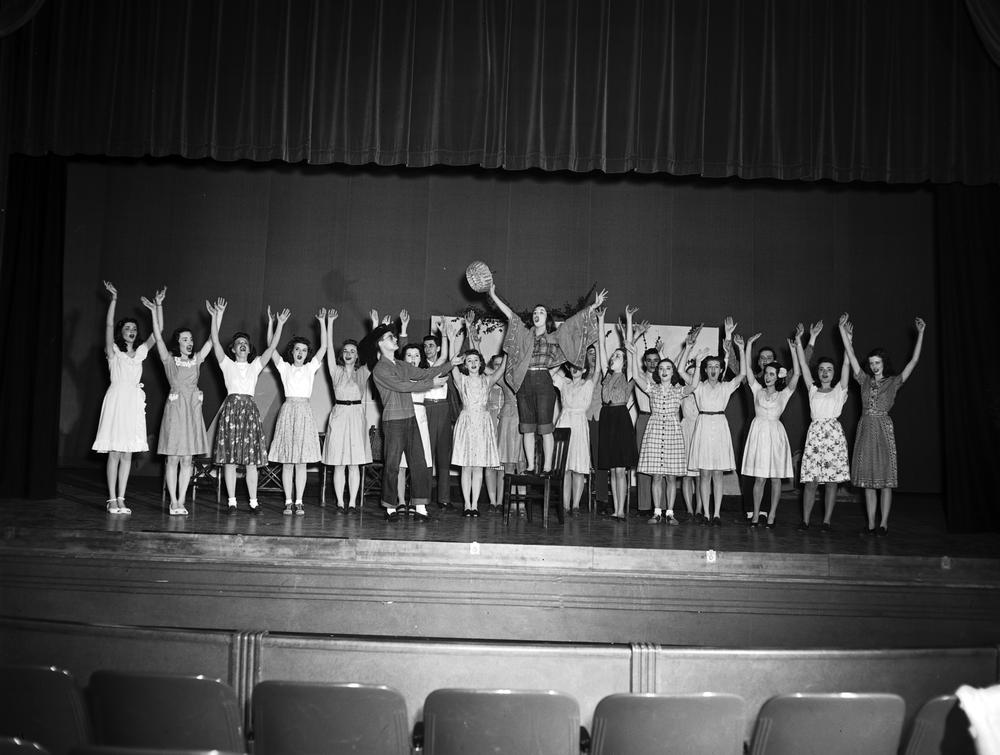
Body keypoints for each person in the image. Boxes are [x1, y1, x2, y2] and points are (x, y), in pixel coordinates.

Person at [488, 283, 606, 473]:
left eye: (541, 311)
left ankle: (547, 466)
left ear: (547, 318)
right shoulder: (525, 336)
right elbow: (510, 315)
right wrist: (493, 295)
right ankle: (531, 465)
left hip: (543, 381)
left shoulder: (555, 336)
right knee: (526, 427)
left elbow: (575, 322)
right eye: (535, 311)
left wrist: (592, 306)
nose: (537, 313)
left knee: (545, 428)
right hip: (525, 381)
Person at [839, 313, 926, 536]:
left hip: (883, 428)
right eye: (871, 363)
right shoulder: (864, 380)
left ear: (883, 363)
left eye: (877, 363)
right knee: (868, 482)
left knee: (885, 481)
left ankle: (884, 523)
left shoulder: (893, 382)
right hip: (866, 427)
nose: (874, 366)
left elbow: (913, 362)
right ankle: (870, 523)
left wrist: (921, 334)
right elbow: (850, 354)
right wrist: (844, 333)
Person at [371, 322, 461, 522]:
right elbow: (402, 386)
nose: (394, 339)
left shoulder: (402, 365)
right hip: (393, 421)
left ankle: (420, 507)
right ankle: (390, 507)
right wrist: (431, 384)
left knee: (419, 463)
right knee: (393, 465)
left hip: (411, 418)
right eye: (389, 337)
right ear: (380, 344)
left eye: (394, 337)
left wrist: (450, 364)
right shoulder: (380, 369)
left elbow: (425, 372)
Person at [207, 298, 284, 513]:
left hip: (249, 412)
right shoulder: (227, 364)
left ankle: (253, 501)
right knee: (230, 461)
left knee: (251, 461)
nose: (243, 345)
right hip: (231, 411)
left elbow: (272, 348)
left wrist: (276, 324)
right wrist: (215, 316)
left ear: (249, 349)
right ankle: (231, 501)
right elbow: (214, 341)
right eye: (239, 343)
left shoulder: (255, 365)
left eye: (246, 343)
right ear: (232, 349)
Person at [142, 287, 212, 515]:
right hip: (175, 408)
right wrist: (157, 308)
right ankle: (173, 500)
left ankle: (182, 500)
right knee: (172, 458)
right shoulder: (169, 359)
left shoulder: (197, 360)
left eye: (191, 339)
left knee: (187, 458)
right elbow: (158, 336)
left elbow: (213, 341)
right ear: (178, 342)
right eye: (185, 339)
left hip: (192, 408)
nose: (189, 342)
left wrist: (216, 316)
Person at [629, 319, 706, 525]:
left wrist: (696, 362)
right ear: (657, 372)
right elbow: (635, 375)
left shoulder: (678, 390)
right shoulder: (651, 388)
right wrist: (634, 353)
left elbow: (695, 383)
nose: (663, 371)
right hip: (654, 430)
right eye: (661, 368)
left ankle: (669, 512)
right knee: (655, 476)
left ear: (672, 373)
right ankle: (656, 512)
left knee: (671, 477)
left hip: (672, 431)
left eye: (667, 368)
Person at [93, 281, 156, 514]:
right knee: (115, 451)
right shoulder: (114, 352)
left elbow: (156, 335)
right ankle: (111, 499)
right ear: (121, 332)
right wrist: (114, 300)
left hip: (133, 402)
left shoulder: (139, 353)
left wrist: (155, 308)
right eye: (127, 327)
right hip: (117, 399)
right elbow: (109, 324)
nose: (132, 330)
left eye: (134, 328)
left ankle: (121, 497)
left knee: (128, 451)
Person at [267, 308, 327, 516]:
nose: (300, 353)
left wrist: (322, 323)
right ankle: (288, 501)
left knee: (301, 462)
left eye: (303, 350)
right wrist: (277, 324)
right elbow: (270, 347)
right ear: (291, 352)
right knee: (288, 461)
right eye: (297, 349)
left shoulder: (310, 368)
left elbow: (325, 347)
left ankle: (299, 501)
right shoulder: (284, 368)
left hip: (304, 412)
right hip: (288, 411)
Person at [794, 326, 851, 531]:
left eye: (829, 369)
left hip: (833, 435)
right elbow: (802, 363)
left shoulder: (839, 390)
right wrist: (800, 340)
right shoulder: (813, 389)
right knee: (811, 481)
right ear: (818, 372)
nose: (825, 372)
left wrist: (848, 340)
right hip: (815, 435)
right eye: (821, 369)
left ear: (833, 373)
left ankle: (826, 521)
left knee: (831, 482)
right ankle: (805, 520)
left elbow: (846, 363)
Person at [741, 332, 800, 528]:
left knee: (775, 479)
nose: (767, 377)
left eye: (772, 374)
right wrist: (748, 345)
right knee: (759, 478)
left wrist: (793, 350)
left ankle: (772, 515)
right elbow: (748, 370)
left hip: (775, 435)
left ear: (778, 377)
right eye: (766, 373)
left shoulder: (784, 394)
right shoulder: (757, 390)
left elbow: (798, 374)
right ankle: (756, 515)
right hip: (758, 434)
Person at [688, 334, 748, 526]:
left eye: (716, 366)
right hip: (703, 425)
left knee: (718, 474)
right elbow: (681, 373)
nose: (713, 369)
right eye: (710, 367)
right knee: (704, 473)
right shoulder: (697, 387)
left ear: (721, 369)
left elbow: (743, 375)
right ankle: (705, 513)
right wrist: (696, 362)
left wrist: (740, 349)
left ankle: (716, 514)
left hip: (720, 427)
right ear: (705, 370)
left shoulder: (726, 387)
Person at [323, 309, 374, 514]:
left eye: (353, 351)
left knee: (354, 464)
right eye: (345, 351)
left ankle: (352, 502)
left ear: (357, 355)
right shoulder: (335, 371)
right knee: (339, 463)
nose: (349, 354)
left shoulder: (363, 372)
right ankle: (340, 502)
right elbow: (327, 348)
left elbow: (372, 351)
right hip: (339, 415)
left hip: (356, 415)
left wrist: (375, 325)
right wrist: (330, 323)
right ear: (341, 354)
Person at [595, 306, 638, 520]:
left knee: (620, 470)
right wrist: (601, 320)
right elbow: (602, 347)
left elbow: (629, 347)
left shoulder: (628, 375)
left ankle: (621, 510)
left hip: (621, 418)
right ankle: (615, 509)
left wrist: (629, 320)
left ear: (625, 360)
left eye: (619, 355)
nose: (615, 356)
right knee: (612, 470)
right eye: (614, 355)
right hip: (607, 419)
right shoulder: (606, 374)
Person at [451, 350, 506, 516]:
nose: (473, 363)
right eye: (469, 360)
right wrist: (452, 340)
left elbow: (501, 370)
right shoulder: (461, 380)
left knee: (478, 467)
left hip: (482, 423)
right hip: (467, 422)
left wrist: (508, 352)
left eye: (476, 360)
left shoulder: (487, 380)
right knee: (466, 467)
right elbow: (452, 363)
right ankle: (467, 505)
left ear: (481, 363)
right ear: (465, 364)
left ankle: (475, 505)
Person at [551, 354, 600, 515]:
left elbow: (598, 368)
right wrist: (564, 353)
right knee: (564, 468)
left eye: (579, 366)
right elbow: (550, 372)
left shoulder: (588, 384)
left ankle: (576, 505)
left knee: (578, 468)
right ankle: (565, 506)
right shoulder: (564, 382)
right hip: (564, 423)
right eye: (572, 365)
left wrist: (599, 348)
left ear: (585, 369)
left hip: (579, 424)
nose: (574, 369)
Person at [396, 342, 435, 513]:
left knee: (419, 464)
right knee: (400, 464)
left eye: (417, 355)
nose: (413, 359)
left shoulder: (426, 375)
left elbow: (442, 361)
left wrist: (446, 337)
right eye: (409, 355)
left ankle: (416, 502)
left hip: (420, 417)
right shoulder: (398, 375)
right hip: (402, 416)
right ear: (403, 358)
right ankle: (399, 501)